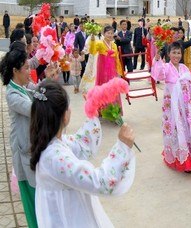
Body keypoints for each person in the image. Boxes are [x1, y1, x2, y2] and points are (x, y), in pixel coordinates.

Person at [30, 81, 136, 228]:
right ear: (64, 115)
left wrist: (92, 113)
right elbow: (101, 182)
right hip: (68, 219)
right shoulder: (54, 157)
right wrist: (122, 148)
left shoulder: (53, 143)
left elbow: (81, 143)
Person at [1, 45, 58, 227]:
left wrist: (47, 80)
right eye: (26, 68)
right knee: (33, 201)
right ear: (15, 70)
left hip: (31, 148)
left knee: (39, 198)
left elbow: (37, 91)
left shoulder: (23, 86)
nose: (29, 71)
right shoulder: (12, 94)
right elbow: (35, 108)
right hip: (24, 151)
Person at [151, 41, 191, 172]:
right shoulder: (166, 67)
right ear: (168, 54)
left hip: (186, 107)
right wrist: (157, 59)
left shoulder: (184, 68)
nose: (176, 55)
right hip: (172, 108)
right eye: (173, 52)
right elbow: (158, 75)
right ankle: (180, 158)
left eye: (179, 53)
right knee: (176, 130)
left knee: (188, 130)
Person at [89, 26, 124, 112]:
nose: (110, 35)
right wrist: (92, 41)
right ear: (104, 34)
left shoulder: (114, 45)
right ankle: (103, 110)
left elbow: (117, 59)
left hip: (112, 71)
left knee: (113, 89)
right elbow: (92, 52)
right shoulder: (100, 43)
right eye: (108, 33)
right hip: (103, 72)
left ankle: (114, 110)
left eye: (112, 33)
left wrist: (119, 71)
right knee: (103, 89)